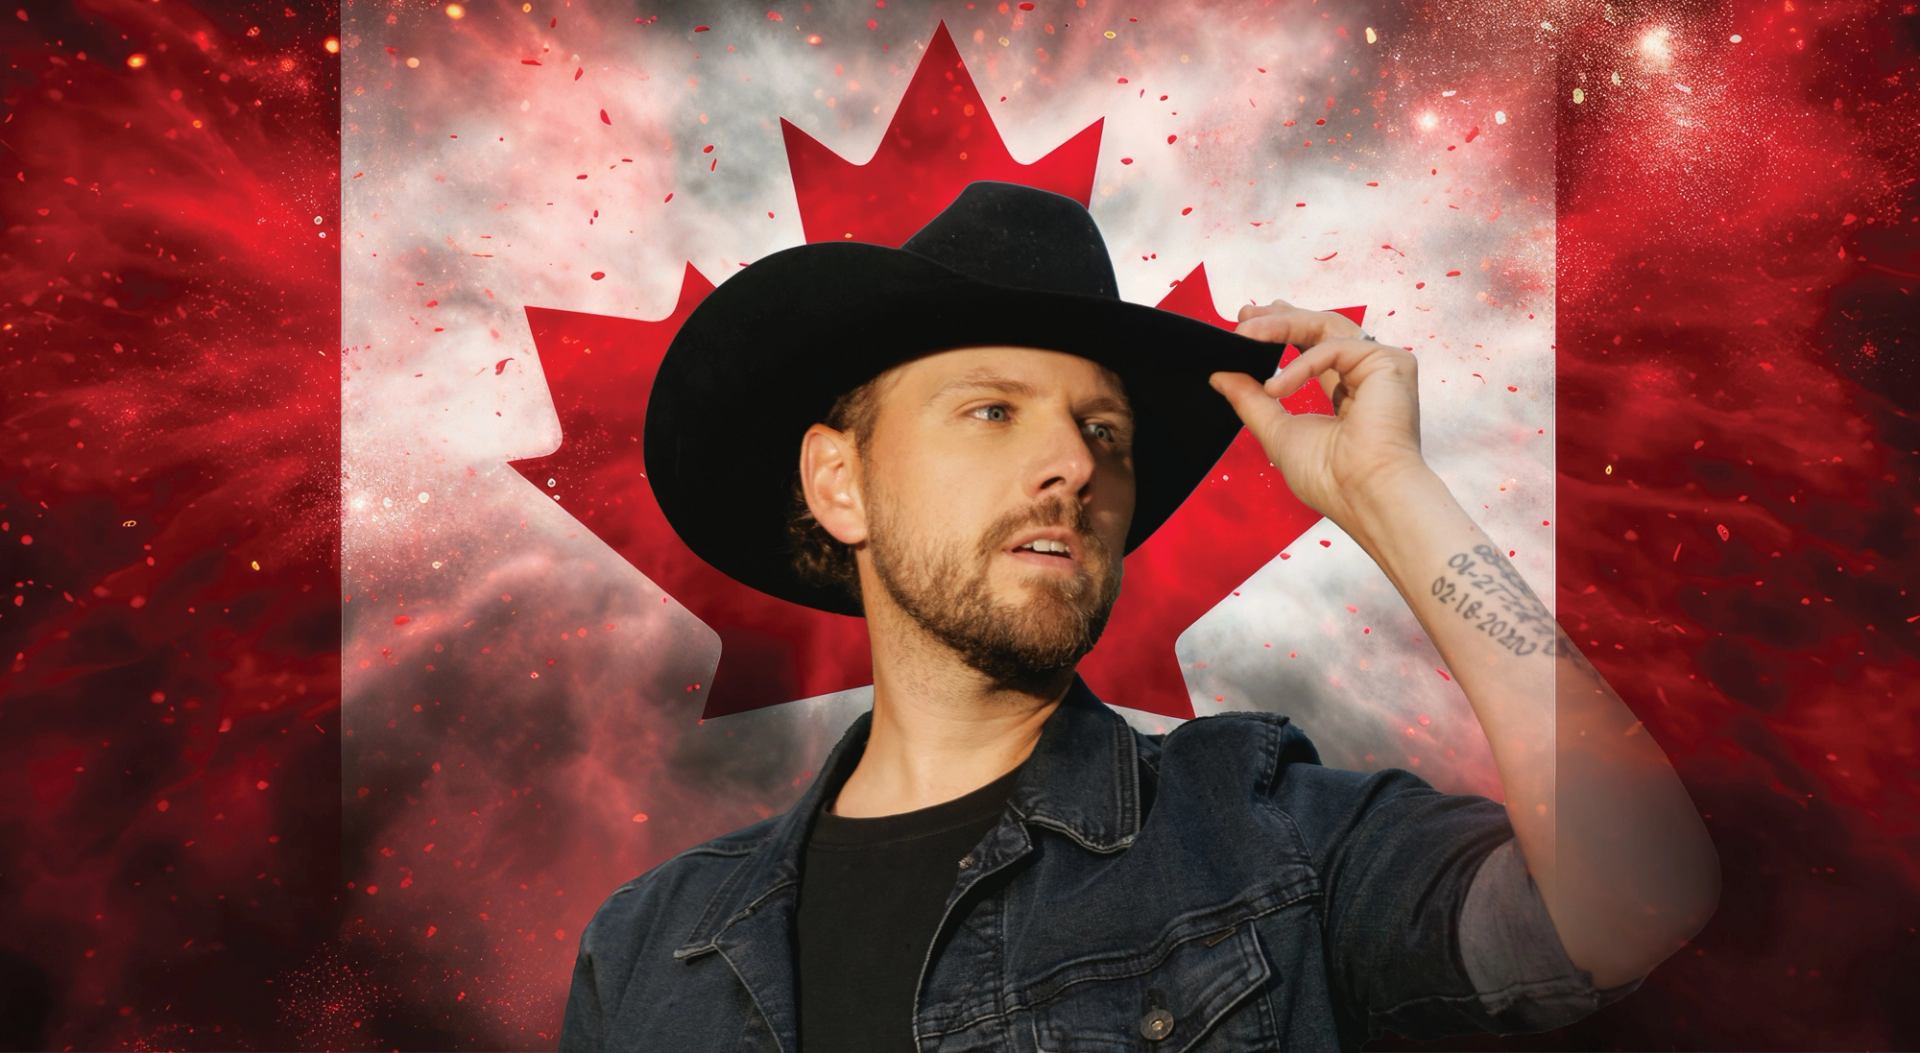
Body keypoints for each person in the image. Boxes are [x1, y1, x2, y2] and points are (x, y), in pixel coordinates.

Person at [559, 181, 1719, 1052]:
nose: (1071, 461)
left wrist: (1392, 497)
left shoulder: (1267, 838)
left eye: (1104, 432)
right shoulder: (652, 948)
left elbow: (1635, 897)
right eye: (993, 412)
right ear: (839, 483)